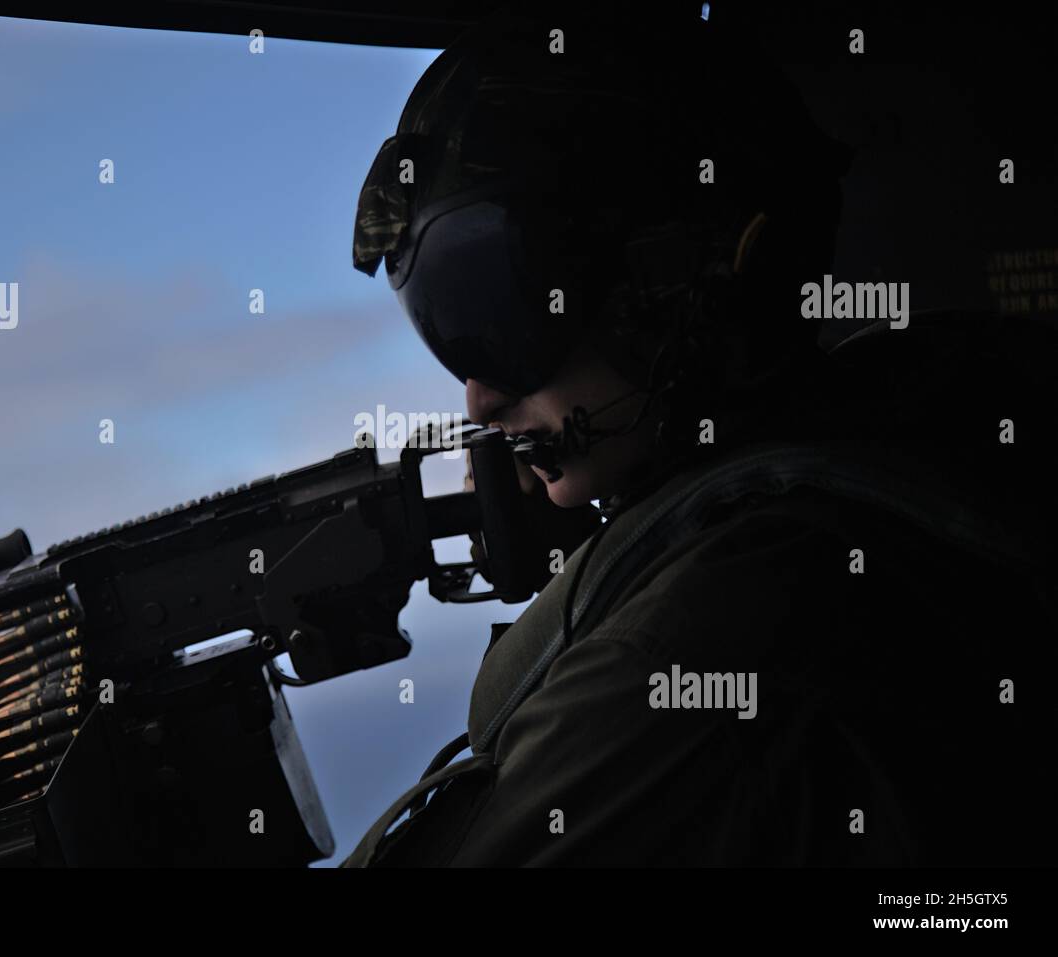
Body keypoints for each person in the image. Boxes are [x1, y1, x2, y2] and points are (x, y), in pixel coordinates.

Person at [341, 9, 1058, 866]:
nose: (479, 395)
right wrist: (628, 544)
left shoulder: (694, 643)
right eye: (447, 328)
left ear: (694, 278)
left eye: (503, 314)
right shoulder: (912, 412)